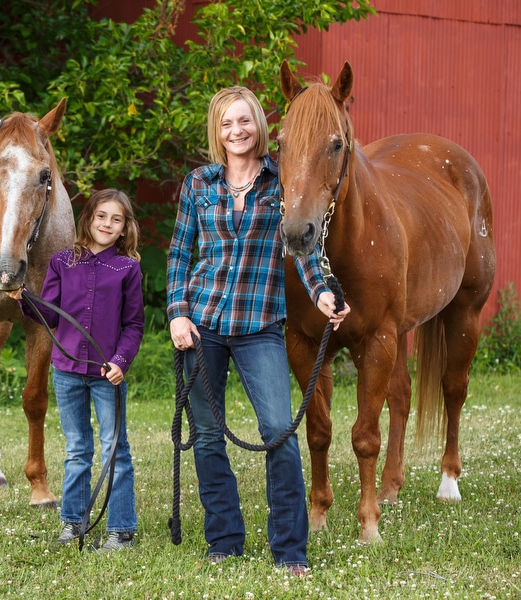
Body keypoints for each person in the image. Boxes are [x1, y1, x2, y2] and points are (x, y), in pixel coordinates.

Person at [166, 86, 350, 575]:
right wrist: (177, 313)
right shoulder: (199, 184)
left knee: (278, 433)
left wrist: (322, 293)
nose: (236, 131)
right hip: (202, 325)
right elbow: (180, 254)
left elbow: (305, 251)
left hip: (259, 326)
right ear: (217, 130)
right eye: (227, 123)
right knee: (206, 436)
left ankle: (290, 549)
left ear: (260, 127)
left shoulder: (278, 181)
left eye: (245, 121)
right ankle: (224, 538)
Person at [11, 188, 145, 551]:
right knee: (76, 450)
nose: (107, 224)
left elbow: (134, 325)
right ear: (88, 219)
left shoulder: (127, 268)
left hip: (106, 374)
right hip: (67, 371)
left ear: (124, 228)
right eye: (102, 216)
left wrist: (120, 362)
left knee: (115, 448)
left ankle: (120, 529)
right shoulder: (61, 263)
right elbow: (51, 316)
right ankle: (74, 523)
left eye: (116, 219)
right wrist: (25, 299)